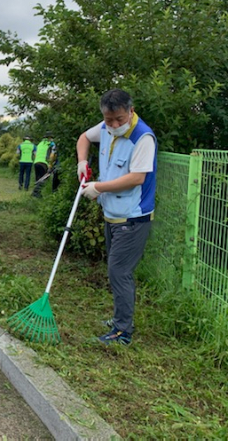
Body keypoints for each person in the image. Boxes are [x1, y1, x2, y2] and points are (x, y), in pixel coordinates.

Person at [76, 88, 157, 345]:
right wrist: (82, 162)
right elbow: (83, 138)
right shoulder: (106, 127)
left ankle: (123, 332)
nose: (113, 125)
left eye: (119, 119)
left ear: (130, 111)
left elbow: (137, 178)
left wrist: (98, 187)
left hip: (132, 218)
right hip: (112, 213)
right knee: (116, 271)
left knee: (119, 272)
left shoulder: (143, 137)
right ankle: (120, 318)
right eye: (109, 120)